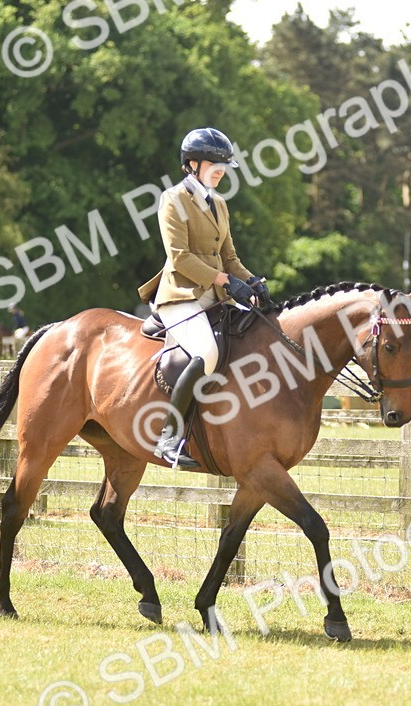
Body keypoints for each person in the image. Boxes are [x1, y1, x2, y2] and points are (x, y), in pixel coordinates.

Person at [137, 127, 270, 468]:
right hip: (181, 296)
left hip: (214, 297)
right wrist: (225, 280)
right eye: (215, 164)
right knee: (207, 351)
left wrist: (251, 280)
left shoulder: (219, 204)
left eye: (224, 165)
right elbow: (179, 256)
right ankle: (168, 437)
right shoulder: (174, 200)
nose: (221, 171)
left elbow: (230, 256)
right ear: (192, 164)